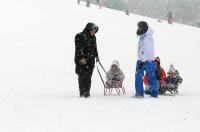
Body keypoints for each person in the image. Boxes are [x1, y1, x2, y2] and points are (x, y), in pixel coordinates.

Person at [74, 22, 99, 98]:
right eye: (93, 29)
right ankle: (82, 92)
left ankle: (87, 92)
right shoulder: (80, 36)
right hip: (82, 61)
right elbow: (78, 48)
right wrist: (81, 57)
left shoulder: (93, 37)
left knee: (88, 77)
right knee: (82, 77)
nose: (94, 31)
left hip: (90, 60)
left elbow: (95, 47)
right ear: (89, 29)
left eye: (95, 30)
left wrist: (96, 56)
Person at [134, 21, 158, 98]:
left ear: (143, 28)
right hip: (141, 59)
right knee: (138, 76)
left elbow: (147, 50)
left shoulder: (148, 38)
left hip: (148, 60)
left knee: (150, 76)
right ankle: (139, 93)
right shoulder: (142, 36)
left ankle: (154, 93)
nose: (138, 29)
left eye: (139, 27)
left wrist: (143, 61)